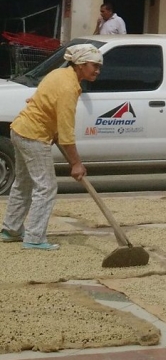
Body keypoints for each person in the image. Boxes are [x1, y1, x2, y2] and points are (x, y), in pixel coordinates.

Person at [1, 43, 102, 250]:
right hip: (33, 136)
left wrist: (53, 129)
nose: (97, 70)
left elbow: (41, 100)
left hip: (20, 129)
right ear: (81, 64)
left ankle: (11, 229)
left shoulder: (60, 73)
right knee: (46, 187)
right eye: (94, 65)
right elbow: (66, 132)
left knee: (24, 183)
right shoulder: (69, 87)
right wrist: (76, 164)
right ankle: (35, 237)